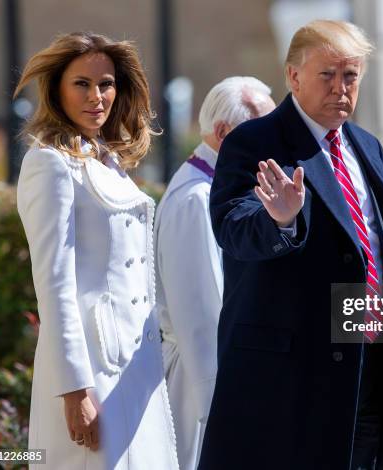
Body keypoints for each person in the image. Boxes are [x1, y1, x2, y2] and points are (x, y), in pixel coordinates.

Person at [199, 20, 383, 470]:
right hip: (295, 380)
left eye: (351, 77)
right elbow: (233, 228)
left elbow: (380, 248)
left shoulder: (366, 146)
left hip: (374, 365)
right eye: (327, 75)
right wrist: (278, 219)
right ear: (293, 76)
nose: (340, 89)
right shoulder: (255, 141)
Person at [15, 32, 179, 470]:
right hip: (93, 368)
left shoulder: (105, 158)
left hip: (134, 362)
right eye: (81, 84)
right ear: (57, 89)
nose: (97, 96)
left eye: (106, 83)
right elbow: (54, 286)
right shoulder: (49, 162)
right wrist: (74, 389)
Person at [154, 76, 275, 470]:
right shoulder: (196, 199)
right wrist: (224, 411)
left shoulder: (218, 185)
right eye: (263, 129)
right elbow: (204, 318)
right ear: (224, 133)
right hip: (203, 391)